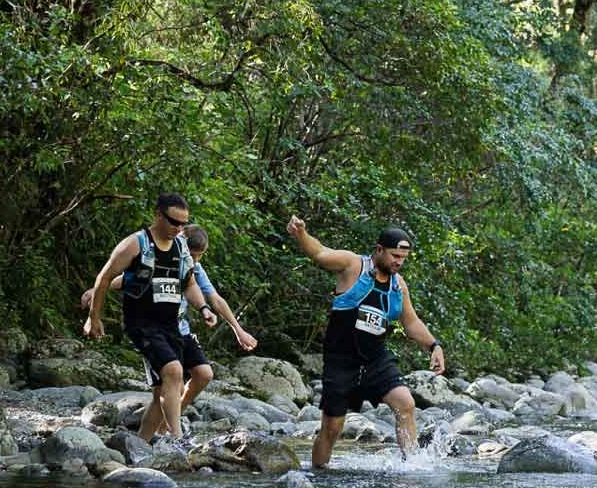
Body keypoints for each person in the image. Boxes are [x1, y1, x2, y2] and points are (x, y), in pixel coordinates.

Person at [286, 216, 445, 468]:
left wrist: (434, 346)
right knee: (331, 428)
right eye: (394, 256)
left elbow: (411, 322)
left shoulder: (398, 286)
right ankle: (318, 475)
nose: (398, 262)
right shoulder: (353, 265)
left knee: (405, 403)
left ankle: (412, 468)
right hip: (341, 361)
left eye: (403, 258)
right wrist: (302, 233)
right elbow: (320, 253)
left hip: (375, 360)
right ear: (379, 249)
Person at [82, 224, 257, 441]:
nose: (195, 260)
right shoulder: (158, 256)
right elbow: (124, 279)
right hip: (151, 330)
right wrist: (96, 290)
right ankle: (158, 441)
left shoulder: (192, 267)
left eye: (199, 256)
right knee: (164, 389)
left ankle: (165, 423)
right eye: (192, 255)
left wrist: (238, 330)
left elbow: (215, 299)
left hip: (179, 331)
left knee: (202, 374)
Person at [84, 194, 217, 443]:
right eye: (173, 222)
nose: (179, 229)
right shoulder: (135, 244)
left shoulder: (180, 247)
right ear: (158, 215)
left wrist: (203, 309)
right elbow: (104, 278)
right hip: (142, 324)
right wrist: (94, 318)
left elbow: (188, 283)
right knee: (174, 372)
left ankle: (141, 445)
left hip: (172, 326)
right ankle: (178, 441)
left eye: (183, 224)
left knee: (164, 390)